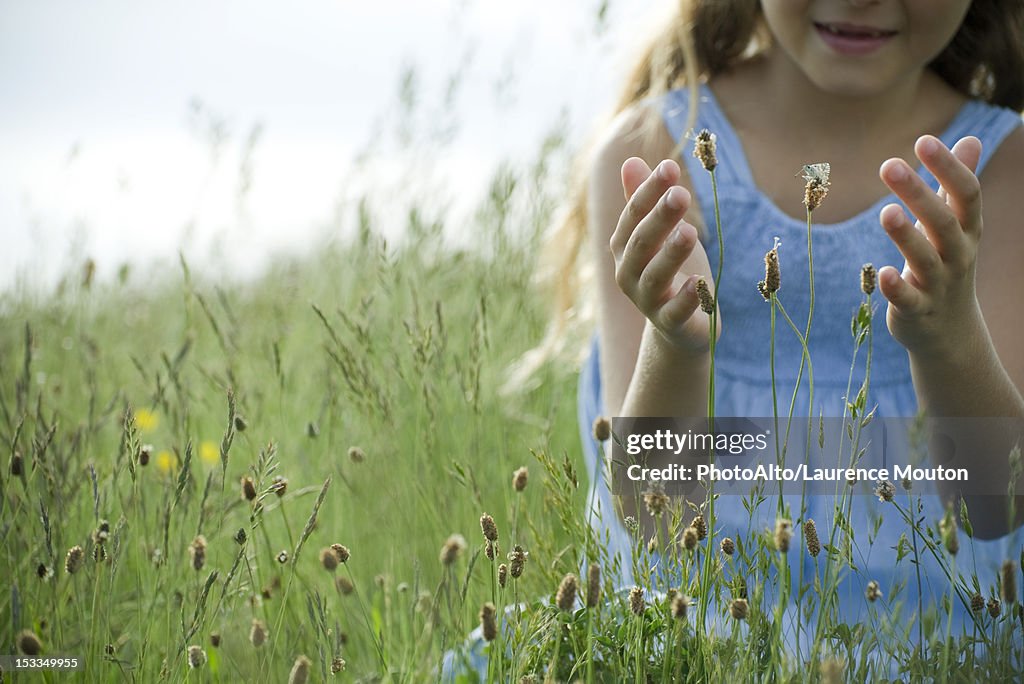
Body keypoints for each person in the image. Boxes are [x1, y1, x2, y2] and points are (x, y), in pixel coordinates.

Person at [509, 0, 1024, 666]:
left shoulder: (1001, 168)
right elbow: (653, 519)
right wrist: (678, 346)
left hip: (933, 655)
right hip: (695, 654)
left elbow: (993, 505)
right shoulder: (658, 150)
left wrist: (947, 338)